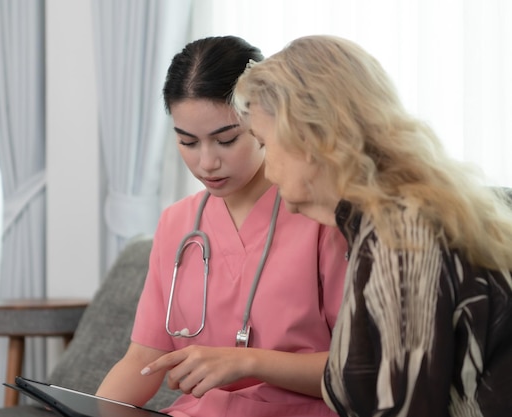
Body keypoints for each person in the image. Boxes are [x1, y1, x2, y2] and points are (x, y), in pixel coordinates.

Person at [232, 34, 512, 417]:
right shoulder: (395, 217)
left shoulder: (403, 236)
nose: (266, 169)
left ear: (311, 137)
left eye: (264, 143)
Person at [95, 36, 349, 417]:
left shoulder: (323, 217)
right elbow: (143, 359)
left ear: (266, 123)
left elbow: (358, 370)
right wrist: (93, 409)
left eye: (226, 139)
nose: (207, 162)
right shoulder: (176, 224)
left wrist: (247, 362)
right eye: (188, 142)